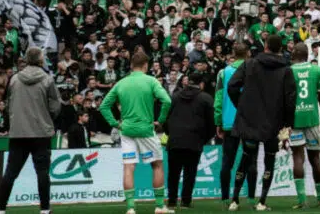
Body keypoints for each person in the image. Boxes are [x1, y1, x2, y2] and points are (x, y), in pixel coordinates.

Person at [228, 34, 297, 212]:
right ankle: (262, 202)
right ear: (280, 49)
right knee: (269, 160)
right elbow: (291, 100)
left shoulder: (249, 64)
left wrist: (241, 106)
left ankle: (234, 200)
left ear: (265, 46)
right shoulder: (286, 70)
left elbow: (232, 86)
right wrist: (288, 124)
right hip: (273, 124)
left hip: (250, 120)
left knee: (245, 157)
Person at [99, 51, 174, 214]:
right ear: (146, 65)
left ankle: (131, 208)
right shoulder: (151, 81)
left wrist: (115, 123)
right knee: (157, 165)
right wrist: (160, 120)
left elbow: (103, 106)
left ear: (131, 66)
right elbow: (167, 100)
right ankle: (160, 206)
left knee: (128, 167)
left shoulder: (121, 83)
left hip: (126, 131)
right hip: (147, 130)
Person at [0, 47, 62, 214]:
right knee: (42, 172)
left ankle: (1, 210)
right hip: (40, 132)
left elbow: (8, 105)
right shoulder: (47, 79)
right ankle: (45, 210)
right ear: (41, 61)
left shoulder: (14, 79)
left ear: (26, 60)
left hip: (18, 132)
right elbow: (55, 107)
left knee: (10, 172)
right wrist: (46, 118)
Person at [164, 71, 215, 210]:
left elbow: (165, 118)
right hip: (194, 140)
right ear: (202, 84)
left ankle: (172, 201)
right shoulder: (206, 98)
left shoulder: (174, 96)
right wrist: (203, 139)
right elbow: (212, 123)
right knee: (190, 173)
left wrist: (171, 134)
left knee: (173, 173)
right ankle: (186, 201)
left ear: (187, 81)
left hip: (175, 139)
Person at [290, 43, 320, 209]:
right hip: (312, 120)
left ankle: (301, 200)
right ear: (307, 55)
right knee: (315, 158)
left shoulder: (289, 71)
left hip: (294, 121)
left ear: (294, 54)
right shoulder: (316, 70)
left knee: (297, 158)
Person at [215, 43, 252, 205]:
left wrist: (218, 122)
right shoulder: (254, 70)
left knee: (227, 162)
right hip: (249, 121)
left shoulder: (223, 73)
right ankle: (251, 197)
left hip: (229, 122)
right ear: (248, 54)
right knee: (250, 159)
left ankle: (224, 197)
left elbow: (218, 100)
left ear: (232, 54)